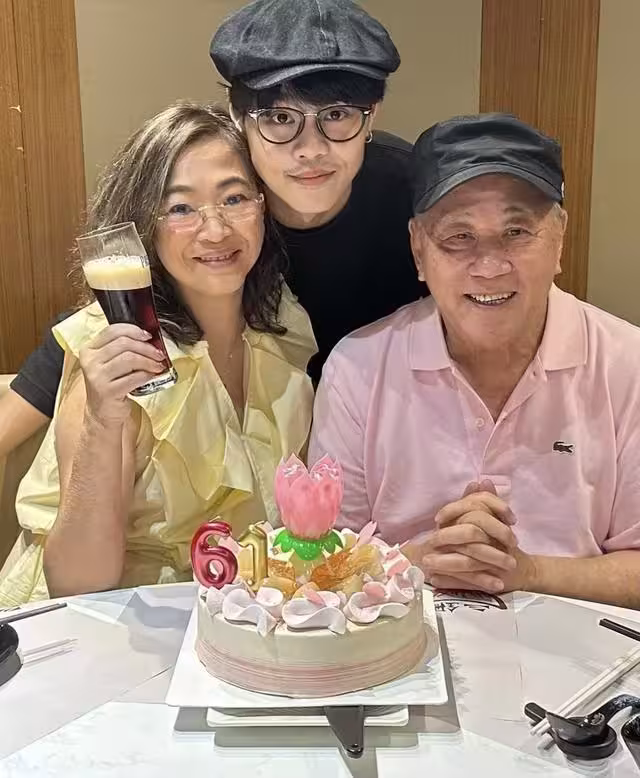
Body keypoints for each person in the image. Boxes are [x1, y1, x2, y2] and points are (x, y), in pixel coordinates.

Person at [4, 0, 423, 443]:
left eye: (336, 115)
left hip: (384, 434)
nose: (310, 149)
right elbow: (128, 307)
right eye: (280, 118)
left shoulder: (414, 192)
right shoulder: (220, 211)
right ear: (239, 118)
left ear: (372, 114)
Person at [309, 114, 640, 609]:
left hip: (581, 645)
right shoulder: (358, 368)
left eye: (517, 231)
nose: (489, 265)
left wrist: (529, 571)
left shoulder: (627, 363)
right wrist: (414, 562)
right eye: (458, 236)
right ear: (418, 250)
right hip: (404, 642)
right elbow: (320, 560)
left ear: (560, 238)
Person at [0, 102, 315, 606]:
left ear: (263, 206)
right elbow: (76, 585)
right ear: (141, 226)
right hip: (111, 622)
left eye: (234, 198)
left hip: (233, 617)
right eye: (181, 209)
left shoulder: (282, 328)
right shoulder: (120, 351)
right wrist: (103, 420)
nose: (216, 231)